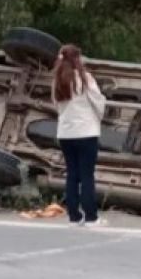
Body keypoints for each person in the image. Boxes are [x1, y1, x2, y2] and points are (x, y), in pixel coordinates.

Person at [52, 45, 107, 226]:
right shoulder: (84, 78)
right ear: (77, 58)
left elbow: (57, 105)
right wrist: (98, 118)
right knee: (87, 175)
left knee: (72, 174)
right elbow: (97, 100)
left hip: (66, 133)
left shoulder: (57, 80)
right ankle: (91, 217)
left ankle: (74, 216)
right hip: (86, 131)